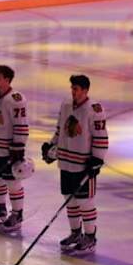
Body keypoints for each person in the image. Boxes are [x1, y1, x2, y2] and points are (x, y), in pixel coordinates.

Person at [42, 74, 108, 254]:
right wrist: (51, 146)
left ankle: (90, 236)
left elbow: (101, 137)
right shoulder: (65, 105)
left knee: (85, 202)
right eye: (72, 88)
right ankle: (75, 233)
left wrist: (97, 159)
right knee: (69, 199)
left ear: (85, 91)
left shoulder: (95, 109)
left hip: (83, 165)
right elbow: (59, 129)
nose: (73, 91)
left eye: (76, 89)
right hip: (66, 162)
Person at [0, 65, 29, 232]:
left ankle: (17, 213)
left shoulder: (16, 100)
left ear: (7, 80)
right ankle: (0, 207)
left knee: (13, 182)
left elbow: (21, 125)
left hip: (9, 150)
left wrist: (18, 146)